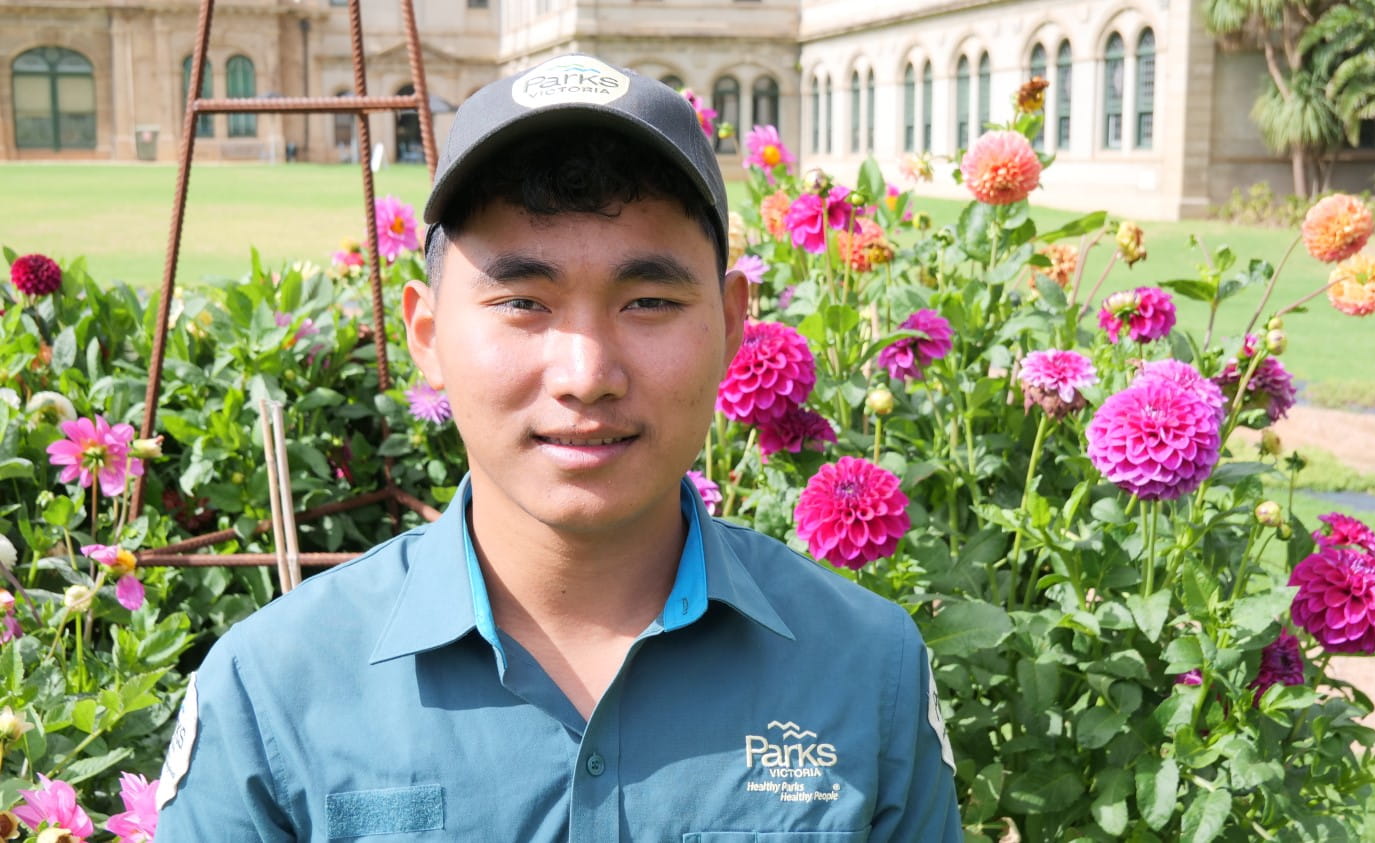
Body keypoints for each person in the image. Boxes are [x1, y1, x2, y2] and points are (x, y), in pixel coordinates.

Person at [154, 54, 962, 841]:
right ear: (427, 335)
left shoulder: (866, 672)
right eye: (522, 302)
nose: (587, 375)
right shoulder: (272, 689)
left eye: (648, 300)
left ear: (729, 325)